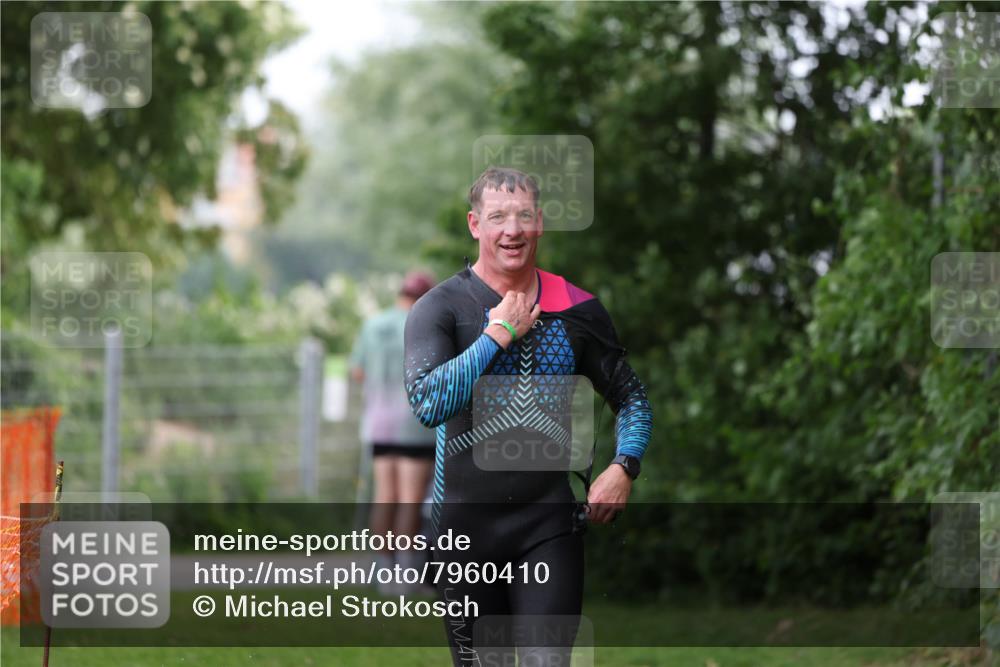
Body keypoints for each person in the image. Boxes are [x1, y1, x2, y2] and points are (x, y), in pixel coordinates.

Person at [404, 167, 653, 665]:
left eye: (523, 216)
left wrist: (624, 465)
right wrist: (498, 334)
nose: (512, 230)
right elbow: (429, 404)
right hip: (464, 532)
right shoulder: (441, 308)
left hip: (547, 527)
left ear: (540, 222)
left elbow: (632, 399)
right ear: (475, 224)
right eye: (498, 217)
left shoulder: (577, 308)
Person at [350, 270, 437, 591]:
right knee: (410, 499)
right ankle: (405, 572)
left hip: (379, 423)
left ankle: (382, 570)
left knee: (385, 495)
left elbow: (357, 371)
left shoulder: (373, 324)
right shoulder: (424, 324)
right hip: (415, 424)